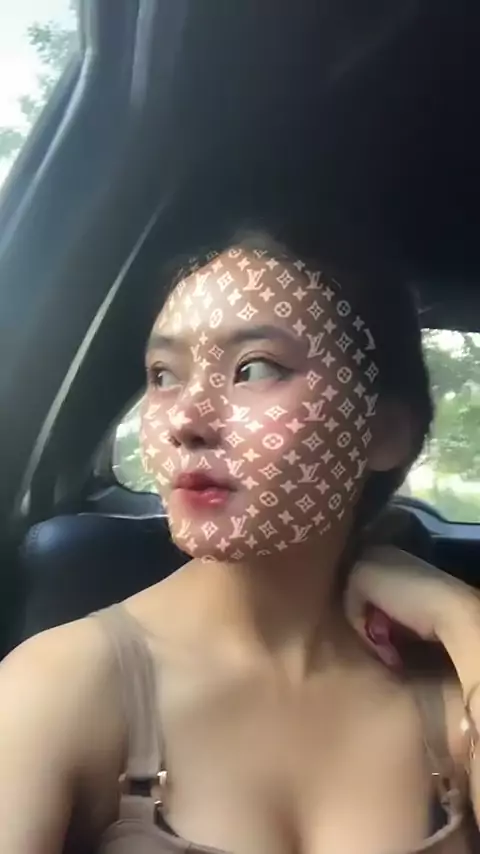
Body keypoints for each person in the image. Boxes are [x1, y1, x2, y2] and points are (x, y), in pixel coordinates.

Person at [1, 223, 480, 854]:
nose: (186, 421)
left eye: (254, 368)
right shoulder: (58, 688)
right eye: (163, 375)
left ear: (385, 431)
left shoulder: (451, 694)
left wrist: (461, 616)